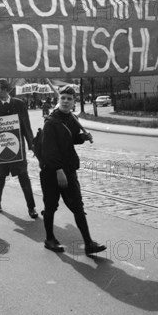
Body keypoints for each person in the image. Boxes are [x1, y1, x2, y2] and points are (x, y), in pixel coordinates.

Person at [39, 85, 106, 255]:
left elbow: (72, 139)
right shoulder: (51, 122)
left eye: (70, 99)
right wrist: (59, 171)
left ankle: (89, 243)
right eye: (63, 98)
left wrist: (83, 137)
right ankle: (49, 239)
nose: (66, 101)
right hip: (52, 172)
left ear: (74, 102)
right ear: (58, 100)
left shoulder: (72, 119)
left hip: (68, 169)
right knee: (51, 206)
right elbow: (49, 151)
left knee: (77, 206)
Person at [0, 79, 38, 219]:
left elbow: (26, 125)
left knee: (24, 177)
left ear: (5, 90)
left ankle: (31, 207)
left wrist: (32, 145)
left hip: (17, 148)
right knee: (0, 176)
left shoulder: (19, 104)